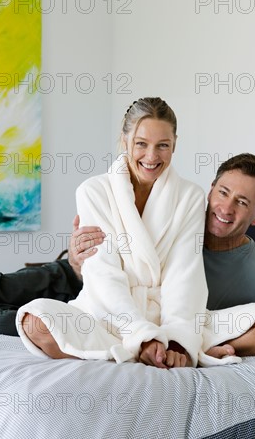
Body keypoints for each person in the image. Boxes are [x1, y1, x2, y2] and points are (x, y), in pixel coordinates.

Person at [15, 97, 209, 369]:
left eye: (162, 145)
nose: (151, 156)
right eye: (141, 144)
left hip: (164, 318)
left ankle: (141, 352)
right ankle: (138, 351)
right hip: (106, 314)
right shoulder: (93, 191)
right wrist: (141, 336)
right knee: (33, 321)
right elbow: (103, 273)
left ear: (174, 143)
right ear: (124, 140)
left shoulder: (191, 197)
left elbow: (185, 274)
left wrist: (177, 341)